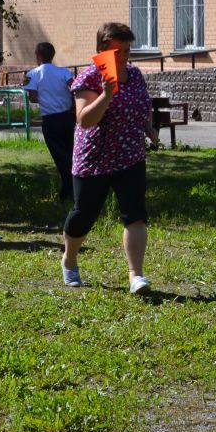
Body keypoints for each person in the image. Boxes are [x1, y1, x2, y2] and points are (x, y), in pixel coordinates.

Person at [60, 22, 158, 292]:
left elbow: (142, 105)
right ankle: (69, 260)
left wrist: (149, 128)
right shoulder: (89, 78)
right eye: (117, 52)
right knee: (84, 214)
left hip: (130, 156)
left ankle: (136, 275)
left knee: (135, 215)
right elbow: (85, 120)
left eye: (127, 51)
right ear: (102, 50)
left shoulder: (134, 74)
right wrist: (106, 94)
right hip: (95, 159)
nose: (123, 57)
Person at [24, 41, 75, 202]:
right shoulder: (64, 72)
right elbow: (74, 88)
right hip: (67, 117)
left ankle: (68, 189)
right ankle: (70, 188)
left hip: (50, 119)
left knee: (60, 156)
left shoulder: (32, 74)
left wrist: (46, 96)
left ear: (38, 56)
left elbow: (32, 98)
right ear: (52, 55)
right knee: (69, 152)